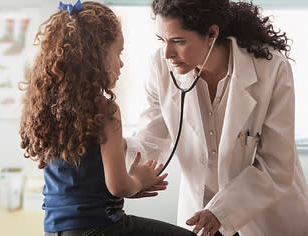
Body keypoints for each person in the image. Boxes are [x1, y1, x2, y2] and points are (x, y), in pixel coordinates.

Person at [125, 0, 308, 235]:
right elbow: (151, 138)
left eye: (178, 41)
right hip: (200, 214)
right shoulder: (160, 67)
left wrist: (221, 211)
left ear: (212, 33)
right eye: (163, 41)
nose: (168, 53)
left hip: (266, 214)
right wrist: (120, 152)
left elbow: (276, 163)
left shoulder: (271, 68)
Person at [19, 1, 196, 235]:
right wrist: (139, 179)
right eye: (118, 53)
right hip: (102, 227)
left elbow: (84, 172)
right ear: (95, 55)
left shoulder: (46, 108)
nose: (121, 63)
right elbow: (119, 186)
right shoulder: (104, 110)